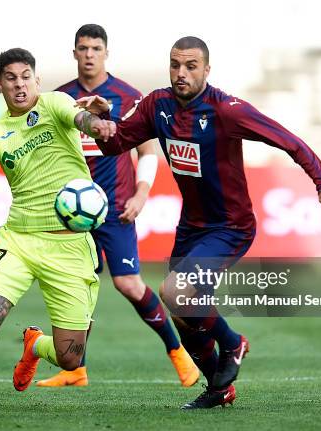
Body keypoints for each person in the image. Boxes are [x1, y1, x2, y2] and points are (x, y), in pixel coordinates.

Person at [77, 36, 321, 409]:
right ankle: (218, 390)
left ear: (207, 69)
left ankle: (233, 342)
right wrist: (104, 119)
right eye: (175, 65)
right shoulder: (158, 105)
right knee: (184, 316)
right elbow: (115, 143)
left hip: (230, 226)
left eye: (190, 66)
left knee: (176, 292)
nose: (181, 73)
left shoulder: (227, 110)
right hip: (191, 226)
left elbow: (288, 141)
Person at [0, 47, 115, 411]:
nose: (19, 84)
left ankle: (35, 344)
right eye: (10, 78)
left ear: (36, 79)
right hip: (19, 241)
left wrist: (98, 123)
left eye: (25, 76)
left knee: (70, 358)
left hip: (69, 247)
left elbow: (82, 121)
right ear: (0, 86)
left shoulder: (54, 104)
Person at [36, 24, 199, 389]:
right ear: (74, 53)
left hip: (116, 207)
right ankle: (75, 369)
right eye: (83, 48)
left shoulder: (127, 96)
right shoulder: (60, 99)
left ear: (106, 53)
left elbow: (147, 151)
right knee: (77, 290)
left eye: (96, 48)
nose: (89, 54)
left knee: (128, 283)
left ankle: (179, 353)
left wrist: (142, 194)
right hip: (73, 215)